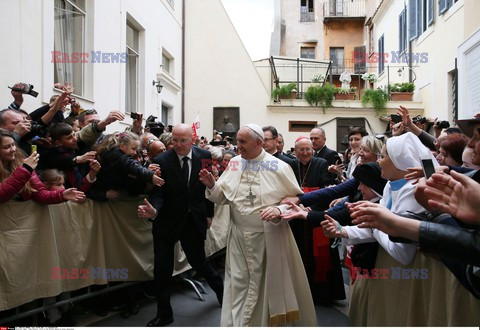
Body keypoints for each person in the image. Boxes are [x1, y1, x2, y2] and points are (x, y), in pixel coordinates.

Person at [198, 124, 317, 326]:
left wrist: (279, 210)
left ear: (259, 143)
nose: (238, 146)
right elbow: (223, 198)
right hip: (238, 237)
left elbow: (296, 199)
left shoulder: (279, 166)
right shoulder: (235, 163)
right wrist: (212, 185)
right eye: (237, 141)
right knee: (238, 283)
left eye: (243, 142)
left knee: (266, 286)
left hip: (268, 236)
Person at [137, 124, 224, 327]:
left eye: (182, 140)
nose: (177, 144)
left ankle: (221, 291)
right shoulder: (161, 160)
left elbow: (208, 186)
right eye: (174, 140)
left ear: (192, 140)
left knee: (199, 262)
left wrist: (209, 214)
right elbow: (158, 193)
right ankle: (164, 314)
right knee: (162, 270)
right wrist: (154, 211)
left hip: (193, 220)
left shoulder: (204, 156)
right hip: (166, 221)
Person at [0, 129, 85, 204]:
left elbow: (39, 194)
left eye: (13, 145)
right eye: (7, 147)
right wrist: (25, 170)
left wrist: (62, 195)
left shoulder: (22, 164)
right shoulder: (25, 167)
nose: (13, 149)